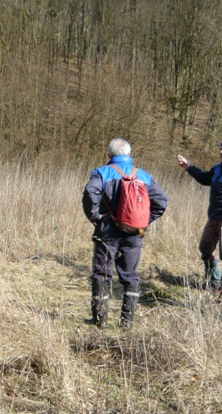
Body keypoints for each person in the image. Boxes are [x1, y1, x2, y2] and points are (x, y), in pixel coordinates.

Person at [83, 138, 168, 330]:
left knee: (101, 274)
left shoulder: (101, 173)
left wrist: (95, 217)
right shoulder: (144, 176)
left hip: (107, 232)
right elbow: (161, 201)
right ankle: (127, 323)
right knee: (130, 275)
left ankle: (100, 321)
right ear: (129, 155)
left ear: (109, 155)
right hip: (134, 233)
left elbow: (90, 193)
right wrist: (144, 221)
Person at [177, 134, 222, 291]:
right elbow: (204, 179)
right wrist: (188, 167)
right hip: (214, 218)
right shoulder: (217, 168)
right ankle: (213, 281)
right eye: (221, 149)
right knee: (205, 248)